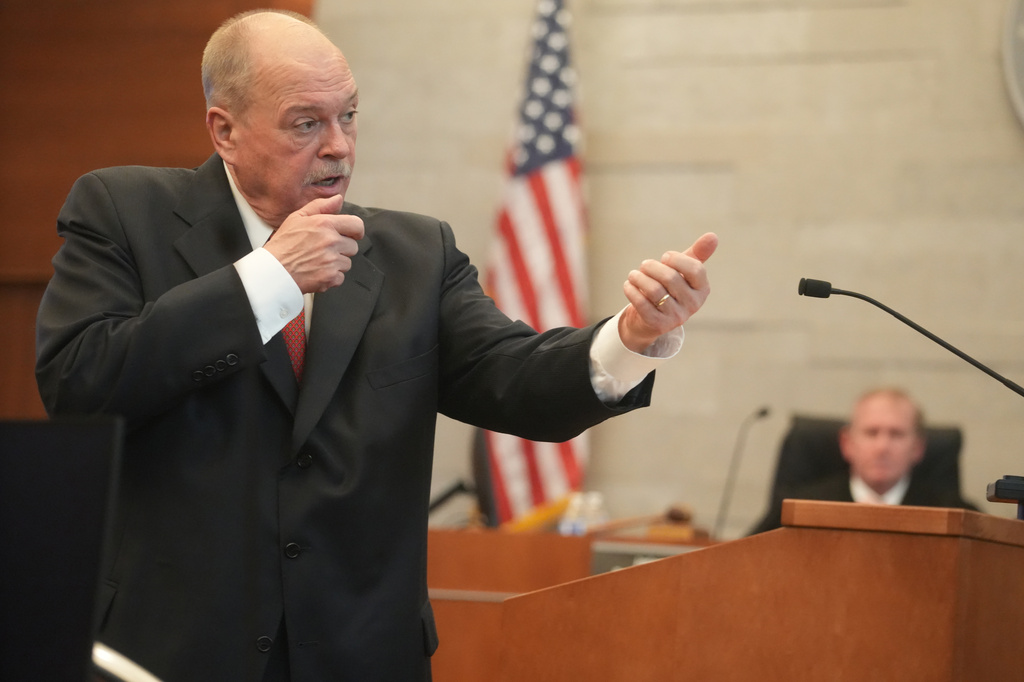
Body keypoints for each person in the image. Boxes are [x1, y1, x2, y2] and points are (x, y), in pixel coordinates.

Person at [34, 9, 717, 682]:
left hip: (362, 653)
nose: (339, 146)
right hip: (175, 653)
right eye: (308, 122)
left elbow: (512, 377)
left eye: (349, 116)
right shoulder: (123, 213)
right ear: (226, 131)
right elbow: (80, 381)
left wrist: (630, 339)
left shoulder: (415, 253)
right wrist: (270, 277)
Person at [749, 388, 977, 535]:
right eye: (871, 433)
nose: (882, 447)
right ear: (847, 444)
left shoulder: (954, 514)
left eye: (896, 434)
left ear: (917, 448)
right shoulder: (799, 509)